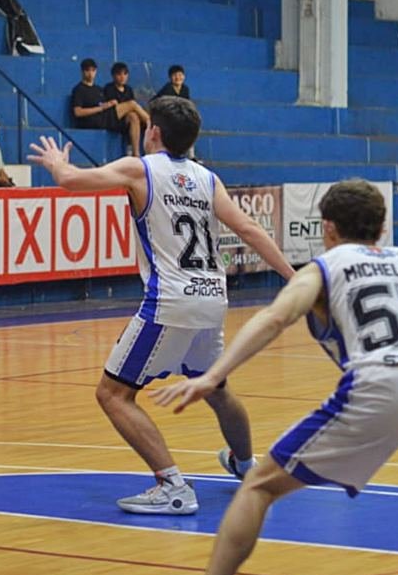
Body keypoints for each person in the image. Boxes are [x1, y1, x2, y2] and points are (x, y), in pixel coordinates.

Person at [149, 179, 398, 575]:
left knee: (258, 486)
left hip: (380, 385)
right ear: (382, 228)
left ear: (329, 229)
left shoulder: (326, 266)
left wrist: (212, 376)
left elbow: (275, 318)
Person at [27, 96, 294, 515]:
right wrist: (295, 280)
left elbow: (72, 182)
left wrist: (57, 163)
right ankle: (246, 465)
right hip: (212, 298)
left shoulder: (140, 168)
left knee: (113, 394)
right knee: (217, 390)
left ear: (153, 132)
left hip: (170, 301)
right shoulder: (208, 179)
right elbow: (248, 228)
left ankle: (172, 486)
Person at [70, 58, 141, 158]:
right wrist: (101, 108)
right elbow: (78, 112)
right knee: (132, 104)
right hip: (94, 121)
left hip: (106, 118)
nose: (90, 73)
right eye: (87, 70)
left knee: (133, 116)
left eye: (93, 70)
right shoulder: (78, 89)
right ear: (82, 72)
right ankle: (149, 121)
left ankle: (136, 154)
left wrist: (109, 104)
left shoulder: (99, 89)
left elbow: (103, 105)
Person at [103, 62, 151, 128]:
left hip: (125, 119)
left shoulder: (129, 89)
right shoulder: (108, 88)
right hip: (112, 118)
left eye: (125, 74)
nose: (122, 77)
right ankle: (150, 123)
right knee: (132, 104)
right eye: (119, 74)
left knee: (134, 117)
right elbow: (112, 107)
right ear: (113, 75)